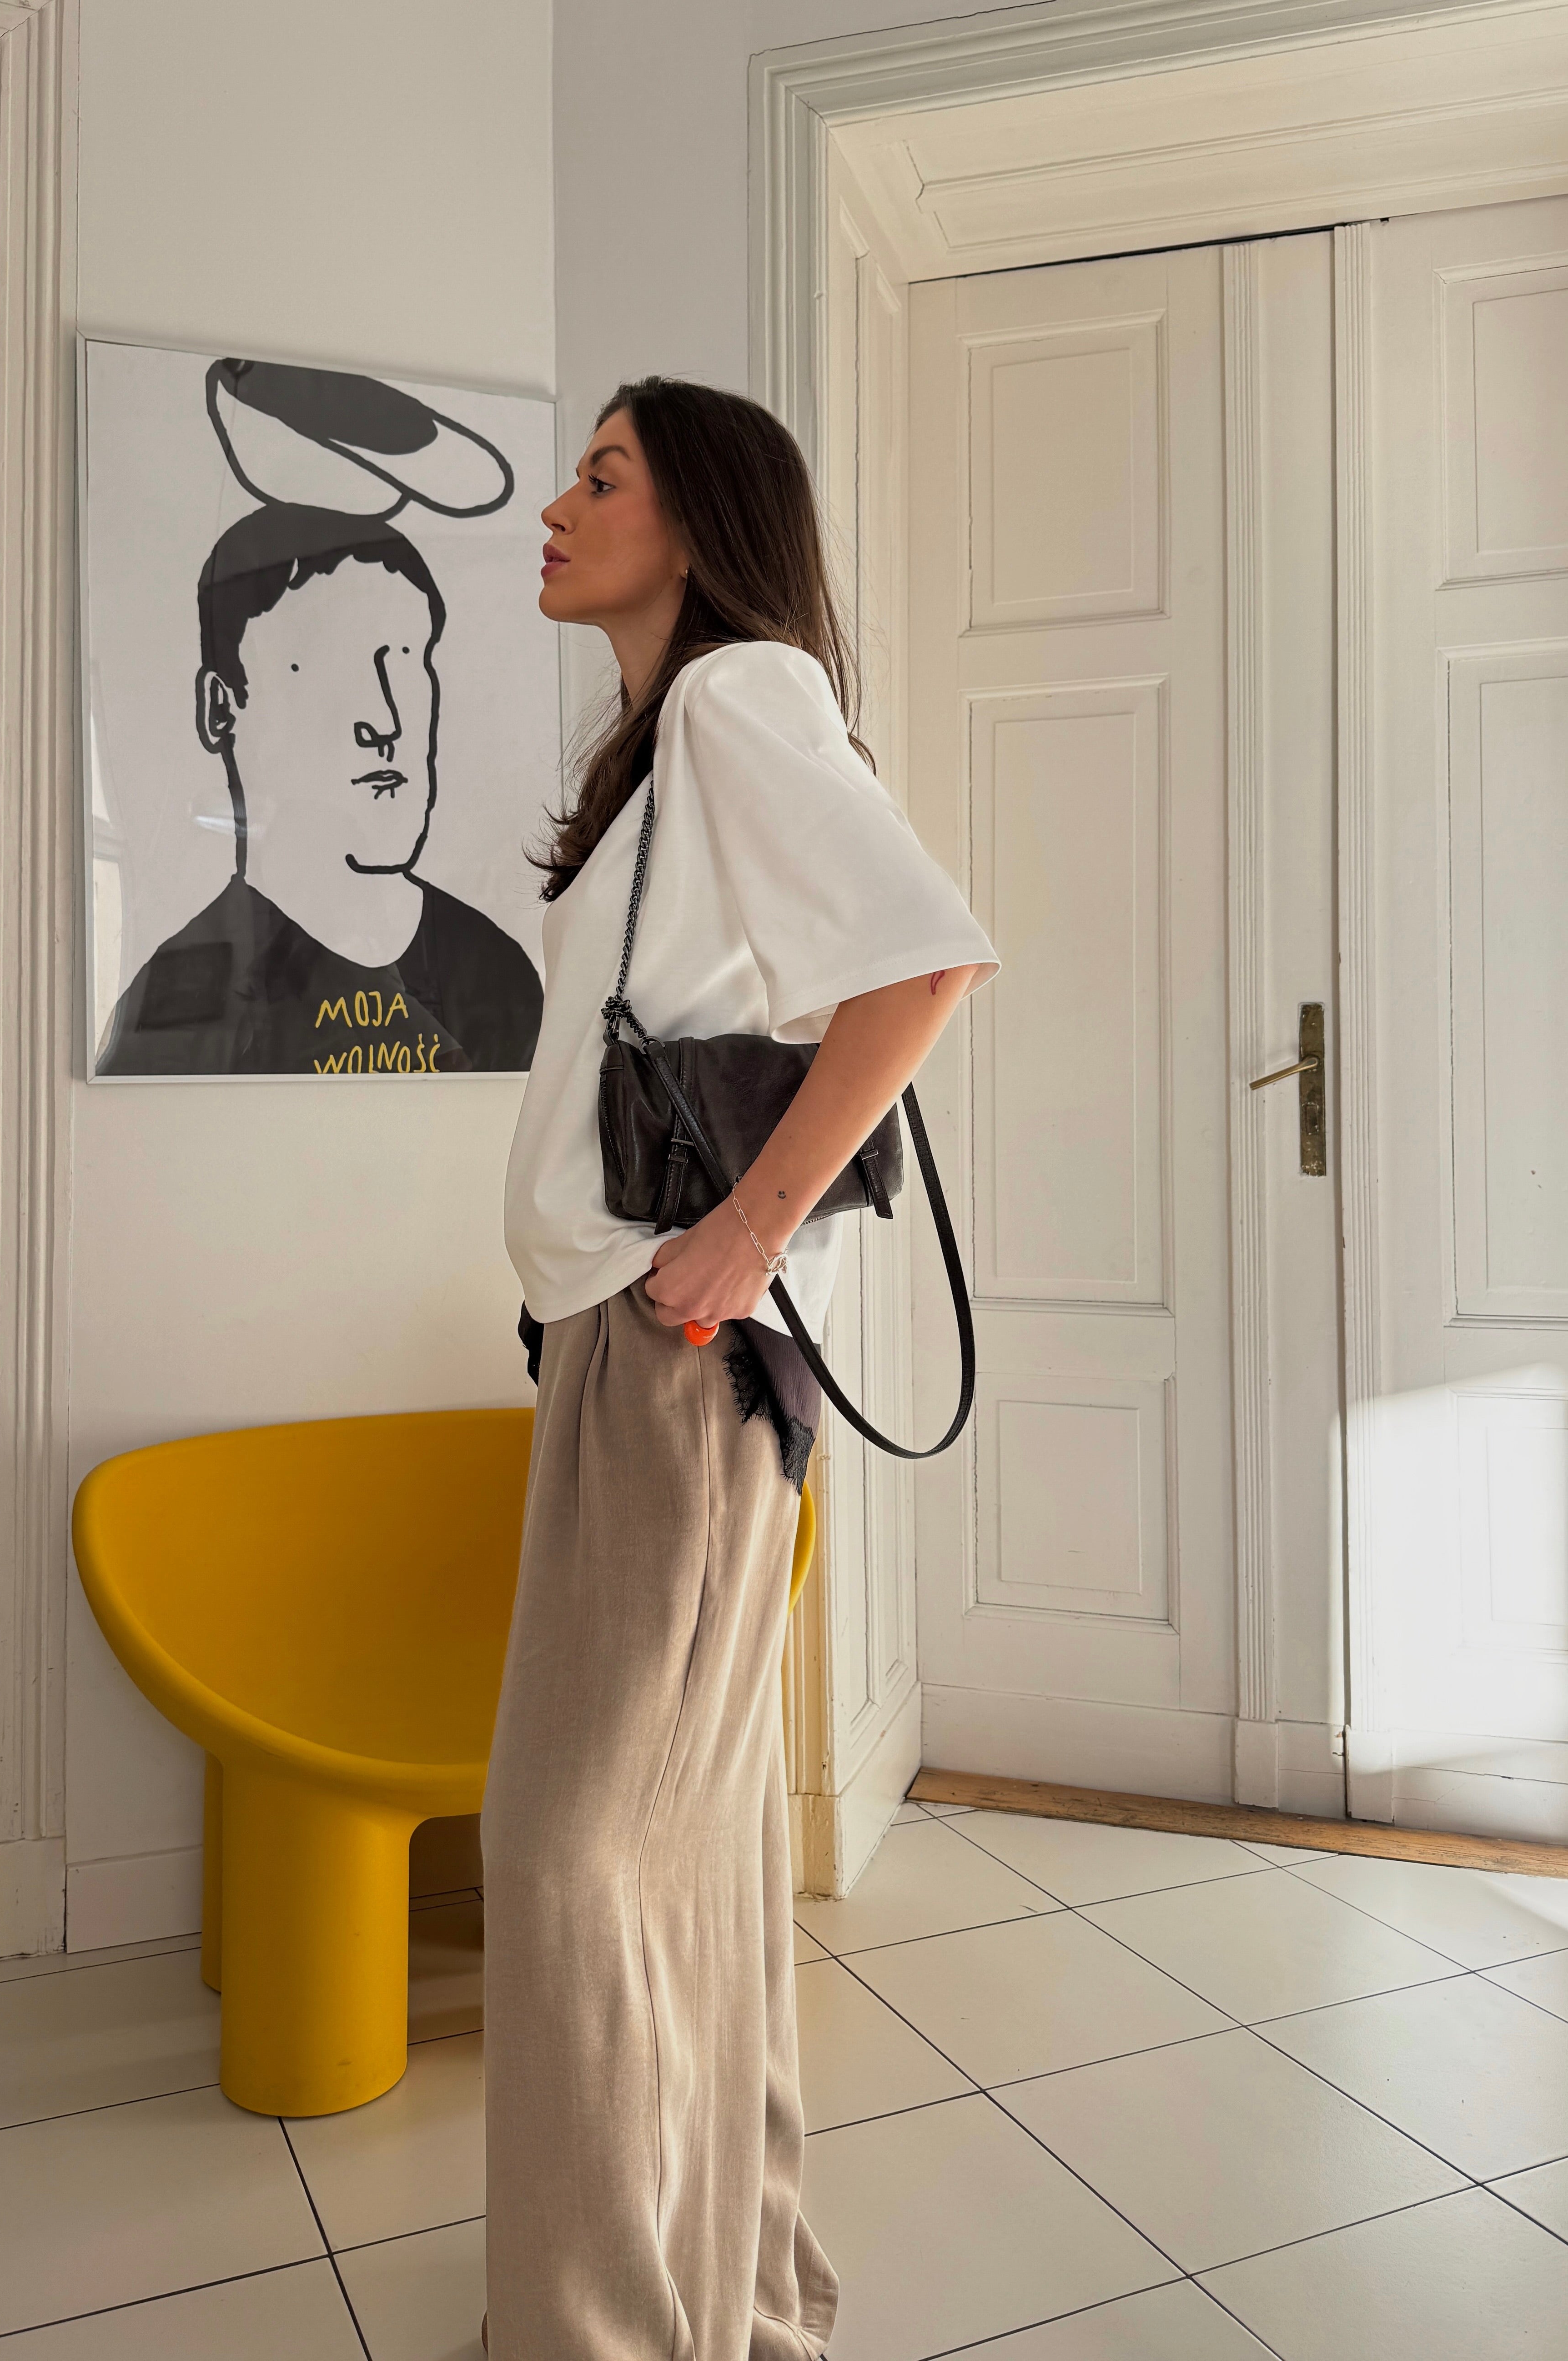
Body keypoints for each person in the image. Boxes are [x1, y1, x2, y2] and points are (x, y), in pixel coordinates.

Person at [484, 377, 999, 2356]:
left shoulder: (735, 696)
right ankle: (730, 2293)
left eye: (602, 476)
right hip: (631, 1355)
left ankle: (606, 2332)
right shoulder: (668, 746)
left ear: (699, 520)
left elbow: (925, 960)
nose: (557, 505)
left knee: (571, 1862)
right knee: (682, 1861)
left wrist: (744, 1234)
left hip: (674, 1358)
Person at [95, 500, 542, 1076]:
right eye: (333, 664)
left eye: (408, 658)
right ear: (221, 708)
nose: (386, 719)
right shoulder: (179, 1012)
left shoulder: (500, 977)